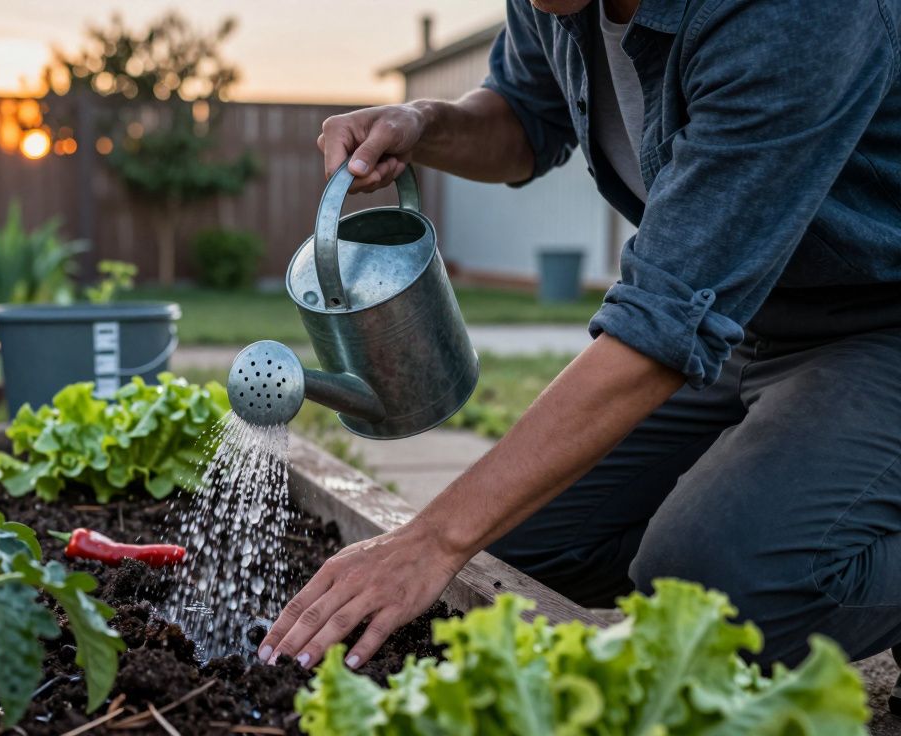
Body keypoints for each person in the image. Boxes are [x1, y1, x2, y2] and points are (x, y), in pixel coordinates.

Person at [258, 0, 901, 672]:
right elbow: (523, 118)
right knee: (513, 546)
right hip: (748, 316)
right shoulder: (556, 4)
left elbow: (662, 323)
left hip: (878, 320)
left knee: (713, 598)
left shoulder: (799, 14)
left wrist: (432, 539)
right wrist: (423, 123)